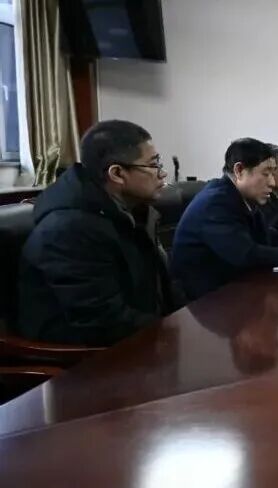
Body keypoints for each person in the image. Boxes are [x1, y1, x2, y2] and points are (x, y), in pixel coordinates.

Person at [17, 120, 177, 346]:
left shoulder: (135, 211)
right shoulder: (69, 230)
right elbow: (101, 321)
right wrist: (171, 330)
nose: (163, 173)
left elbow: (160, 288)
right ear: (117, 173)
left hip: (141, 336)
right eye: (153, 165)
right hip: (85, 356)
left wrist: (183, 319)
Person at [171, 138, 278, 301]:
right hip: (205, 302)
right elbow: (248, 254)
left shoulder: (241, 197)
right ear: (239, 170)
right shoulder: (216, 202)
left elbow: (272, 237)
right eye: (266, 173)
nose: (272, 182)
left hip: (235, 288)